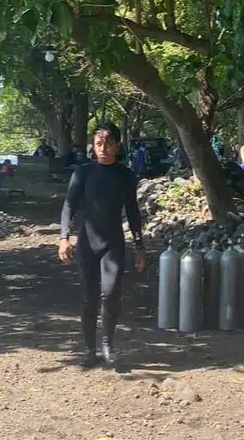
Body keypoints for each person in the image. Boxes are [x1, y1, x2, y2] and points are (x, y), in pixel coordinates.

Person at [58, 123, 146, 367]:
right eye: (98, 143)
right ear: (93, 146)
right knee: (89, 298)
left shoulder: (126, 176)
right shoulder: (83, 173)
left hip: (113, 243)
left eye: (108, 143)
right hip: (87, 242)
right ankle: (89, 350)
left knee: (111, 294)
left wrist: (139, 246)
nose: (103, 148)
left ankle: (108, 344)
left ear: (117, 146)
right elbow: (69, 206)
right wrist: (64, 237)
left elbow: (133, 211)